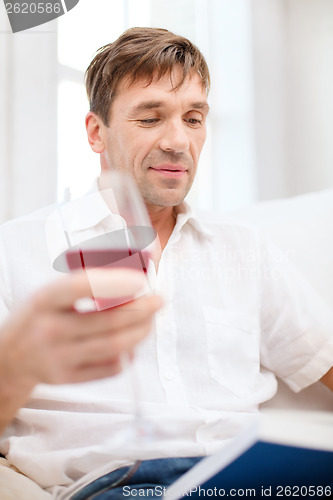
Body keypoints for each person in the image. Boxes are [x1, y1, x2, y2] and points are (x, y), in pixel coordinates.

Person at [0, 27, 332, 499]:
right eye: (151, 118)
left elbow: (322, 357)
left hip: (251, 481)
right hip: (123, 485)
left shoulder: (243, 250)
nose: (178, 142)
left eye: (194, 118)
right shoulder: (16, 251)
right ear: (97, 132)